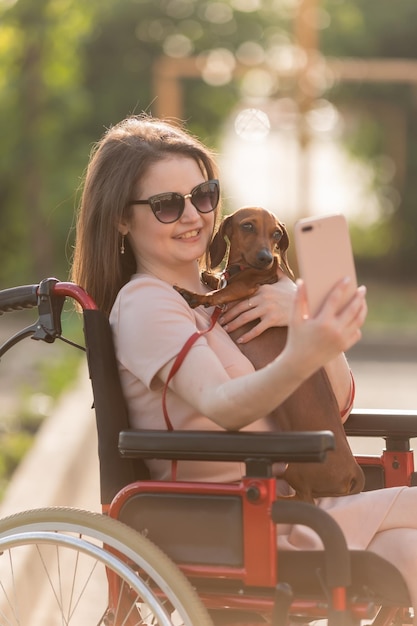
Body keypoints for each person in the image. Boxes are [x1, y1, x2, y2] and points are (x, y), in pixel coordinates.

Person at [71, 114, 417, 617]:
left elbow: (335, 407)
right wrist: (299, 353)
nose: (193, 216)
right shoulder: (147, 302)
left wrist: (301, 315)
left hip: (283, 502)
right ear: (122, 219)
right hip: (233, 519)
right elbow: (223, 406)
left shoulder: (222, 299)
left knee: (405, 556)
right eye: (168, 205)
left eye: (203, 195)